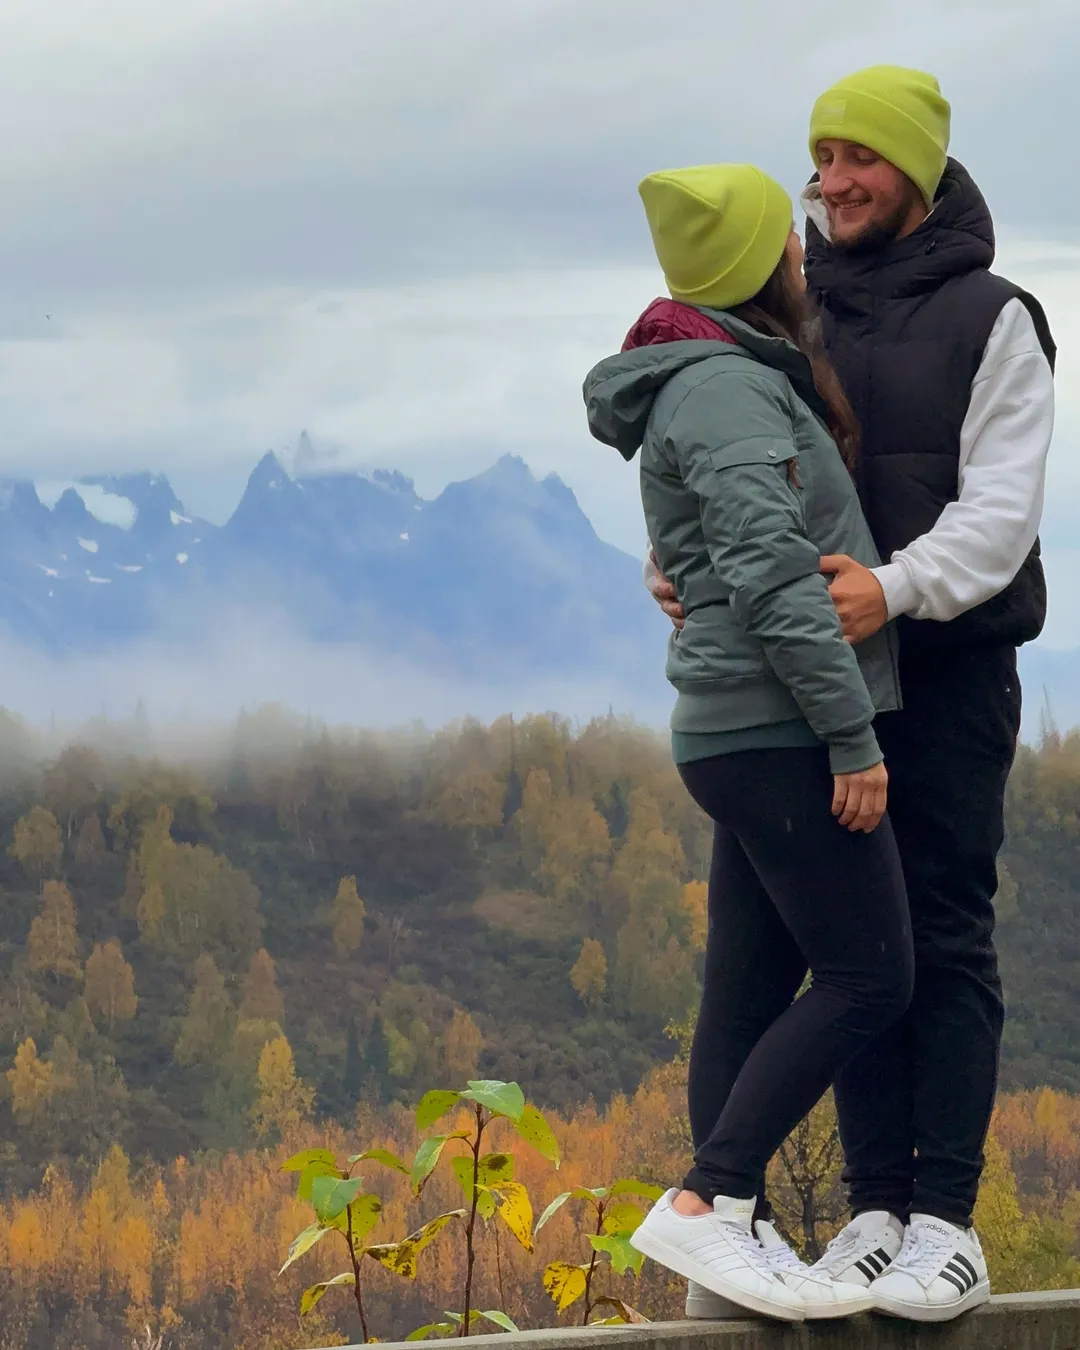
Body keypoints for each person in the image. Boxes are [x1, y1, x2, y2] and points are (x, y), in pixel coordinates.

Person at [646, 67, 1056, 1323]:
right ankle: (875, 1210)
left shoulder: (997, 318)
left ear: (918, 169)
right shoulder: (790, 305)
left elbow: (1001, 518)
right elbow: (720, 461)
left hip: (944, 674)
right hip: (814, 685)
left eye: (859, 159)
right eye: (818, 158)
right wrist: (682, 567)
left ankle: (945, 1222)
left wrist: (892, 590)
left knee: (940, 928)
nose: (833, 182)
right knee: (853, 938)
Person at [583, 162, 914, 1323]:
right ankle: (711, 1203)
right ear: (753, 263)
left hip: (740, 726)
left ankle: (734, 1251)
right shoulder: (725, 387)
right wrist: (850, 738)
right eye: (786, 233)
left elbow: (721, 551)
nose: (801, 245)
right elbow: (778, 581)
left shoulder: (717, 376)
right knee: (875, 974)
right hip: (778, 726)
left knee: (747, 987)